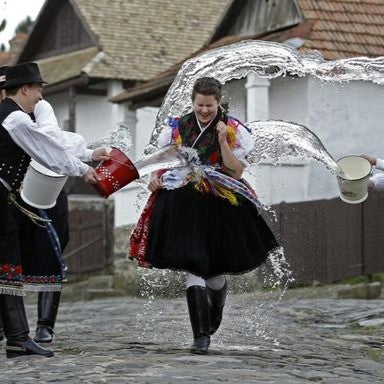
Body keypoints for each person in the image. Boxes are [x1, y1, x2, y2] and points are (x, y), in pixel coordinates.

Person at [129, 77, 278, 354]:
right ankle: (201, 336)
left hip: (221, 201)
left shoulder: (234, 130)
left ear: (218, 102)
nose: (205, 110)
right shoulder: (176, 127)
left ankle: (217, 306)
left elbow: (236, 171)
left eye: (210, 105)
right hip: (183, 202)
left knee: (213, 269)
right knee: (194, 262)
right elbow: (165, 160)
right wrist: (155, 177)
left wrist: (222, 140)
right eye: (200, 105)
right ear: (193, 102)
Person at [0, 62, 109, 358]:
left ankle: (17, 338)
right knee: (7, 263)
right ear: (24, 89)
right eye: (38, 89)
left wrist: (84, 157)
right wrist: (83, 169)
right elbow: (46, 150)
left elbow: (52, 142)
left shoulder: (15, 116)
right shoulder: (16, 120)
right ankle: (18, 339)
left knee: (7, 265)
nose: (39, 96)